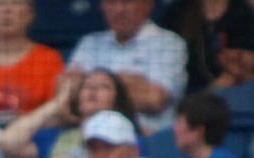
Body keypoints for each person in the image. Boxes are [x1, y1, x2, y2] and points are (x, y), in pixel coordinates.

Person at [69, 0, 189, 129]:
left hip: (146, 138)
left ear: (148, 5)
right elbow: (69, 96)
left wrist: (92, 94)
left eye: (127, 2)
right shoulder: (90, 43)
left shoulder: (169, 43)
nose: (119, 10)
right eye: (111, 3)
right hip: (89, 136)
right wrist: (130, 85)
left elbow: (154, 99)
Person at [0, 66, 134, 158]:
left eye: (104, 86)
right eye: (86, 86)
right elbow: (8, 143)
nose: (93, 90)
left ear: (117, 101)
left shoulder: (126, 138)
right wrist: (58, 102)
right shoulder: (58, 136)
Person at [0, 0, 63, 124]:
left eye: (16, 3)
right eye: (0, 3)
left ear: (30, 15)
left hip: (31, 136)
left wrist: (24, 120)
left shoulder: (49, 59)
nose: (7, 10)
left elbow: (57, 116)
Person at [163, 0, 254, 92]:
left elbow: (247, 63)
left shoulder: (244, 13)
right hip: (182, 90)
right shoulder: (177, 11)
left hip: (232, 92)